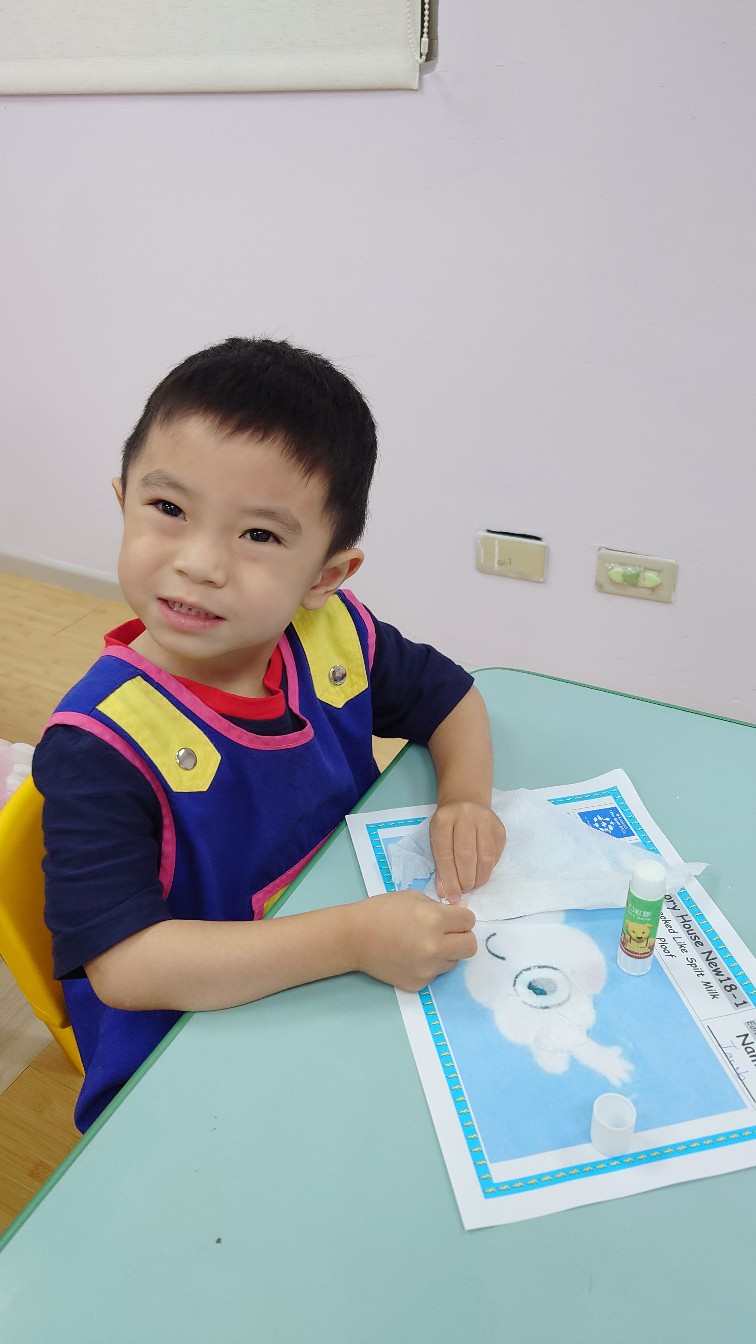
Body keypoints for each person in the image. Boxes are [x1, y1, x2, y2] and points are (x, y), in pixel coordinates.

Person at [33, 337, 506, 1130]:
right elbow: (126, 966)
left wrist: (467, 798)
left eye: (258, 535)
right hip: (191, 1053)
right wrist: (351, 939)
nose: (200, 563)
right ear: (123, 500)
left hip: (342, 977)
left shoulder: (331, 636)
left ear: (327, 575)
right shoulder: (99, 745)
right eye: (168, 509)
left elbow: (451, 696)